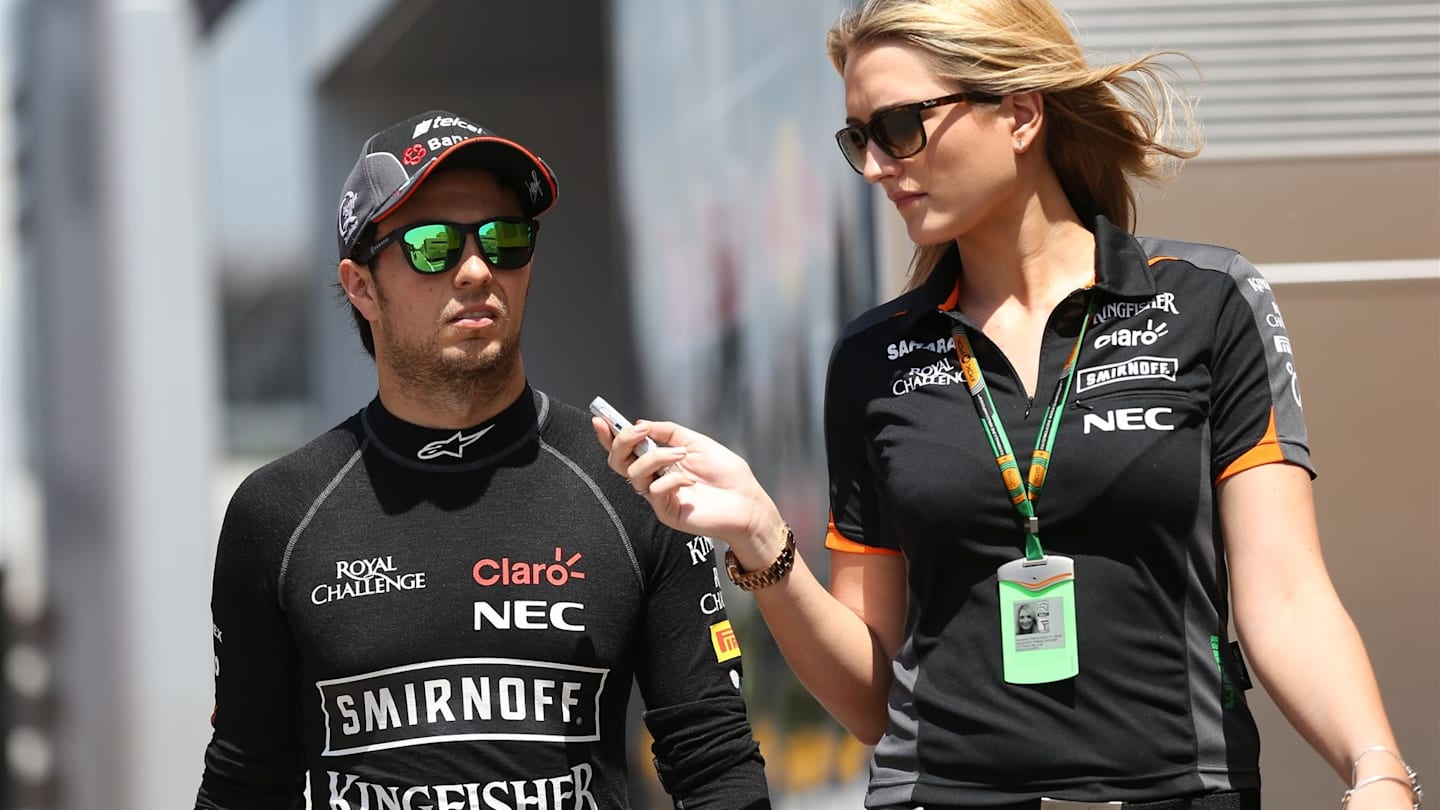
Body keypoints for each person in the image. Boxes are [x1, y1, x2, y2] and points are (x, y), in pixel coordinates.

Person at [594, 2, 1422, 809]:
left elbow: (1283, 594)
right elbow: (868, 702)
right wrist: (762, 539)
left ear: (1021, 113)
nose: (879, 165)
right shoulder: (872, 358)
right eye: (860, 139)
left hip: (1181, 788)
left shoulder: (1209, 301)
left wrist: (1376, 766)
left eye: (900, 126)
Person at [195, 109, 771, 810]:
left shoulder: (631, 486)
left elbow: (715, 767)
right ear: (361, 286)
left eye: (505, 240)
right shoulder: (279, 513)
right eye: (433, 246)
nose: (476, 270)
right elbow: (243, 788)